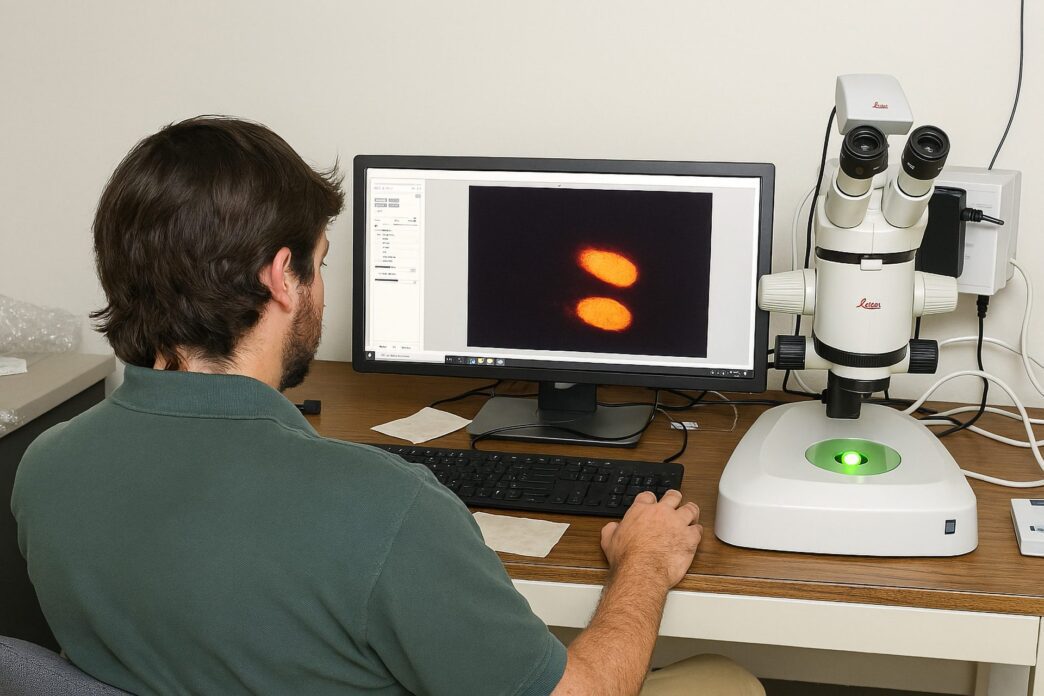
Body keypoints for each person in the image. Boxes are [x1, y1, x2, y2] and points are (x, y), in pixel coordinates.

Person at [12, 116, 763, 696]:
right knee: (727, 679)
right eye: (322, 263)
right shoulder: (385, 506)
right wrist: (644, 564)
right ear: (283, 277)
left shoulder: (46, 469)